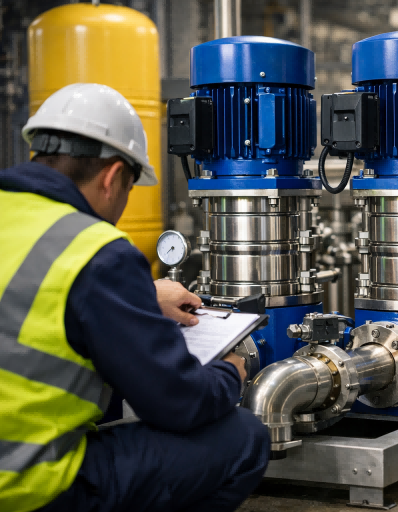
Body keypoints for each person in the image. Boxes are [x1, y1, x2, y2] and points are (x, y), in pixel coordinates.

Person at [0, 83, 269, 512]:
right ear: (111, 178)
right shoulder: (95, 250)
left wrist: (140, 295)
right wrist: (229, 373)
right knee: (243, 438)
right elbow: (178, 403)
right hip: (27, 486)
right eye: (129, 190)